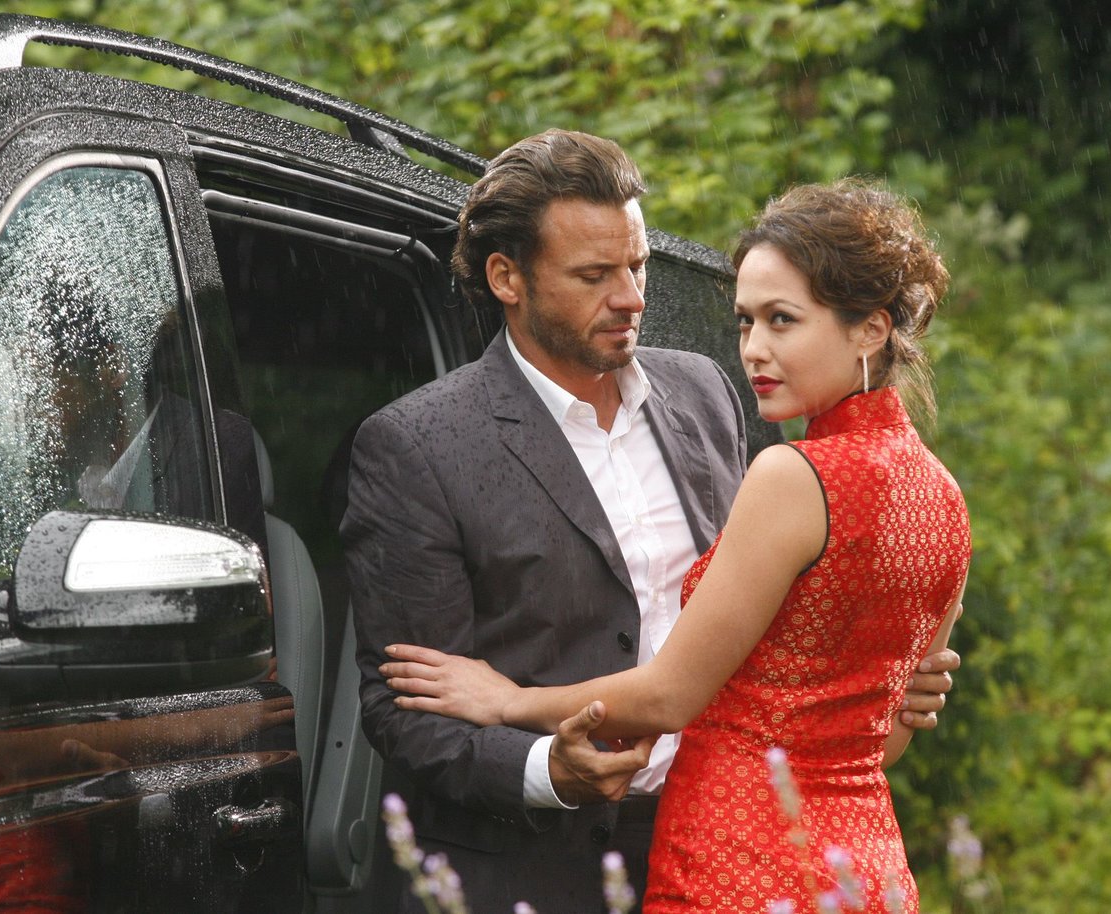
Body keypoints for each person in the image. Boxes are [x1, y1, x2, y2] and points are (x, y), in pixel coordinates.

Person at [343, 134, 958, 914]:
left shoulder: (705, 393)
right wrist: (544, 769)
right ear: (507, 278)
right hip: (536, 868)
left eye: (637, 267)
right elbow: (406, 704)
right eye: (594, 275)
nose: (631, 297)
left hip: (730, 844)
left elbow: (774, 603)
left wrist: (876, 676)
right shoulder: (418, 444)